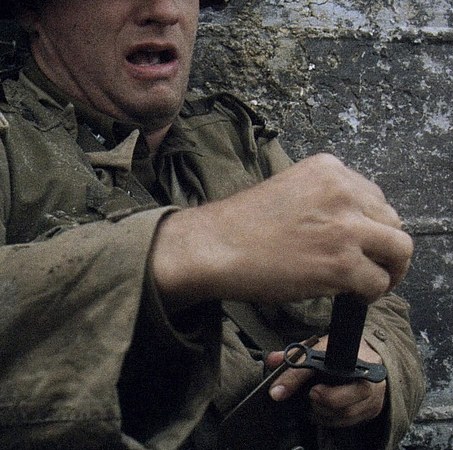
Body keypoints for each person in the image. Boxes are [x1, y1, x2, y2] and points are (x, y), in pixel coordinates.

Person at [0, 0, 425, 448]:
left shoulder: (231, 139)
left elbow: (377, 301)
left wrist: (372, 361)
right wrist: (186, 247)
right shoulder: (13, 151)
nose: (165, 10)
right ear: (32, 10)